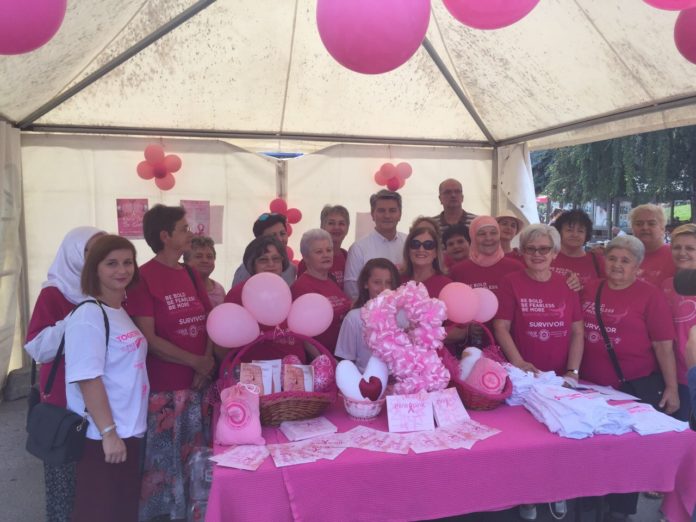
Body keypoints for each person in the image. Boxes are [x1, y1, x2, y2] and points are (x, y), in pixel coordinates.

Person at [124, 204, 214, 522]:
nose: (191, 233)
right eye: (184, 229)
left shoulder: (189, 272)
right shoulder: (144, 278)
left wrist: (206, 363)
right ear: (165, 236)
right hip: (165, 389)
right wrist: (197, 362)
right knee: (165, 463)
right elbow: (149, 340)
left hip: (198, 386)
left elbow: (210, 320)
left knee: (196, 459)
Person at [580, 235, 679, 520]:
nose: (617, 265)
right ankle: (589, 503)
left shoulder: (649, 295)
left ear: (637, 265)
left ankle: (620, 511)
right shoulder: (589, 288)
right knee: (591, 448)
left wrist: (671, 387)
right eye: (612, 258)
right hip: (590, 386)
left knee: (626, 453)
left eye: (625, 260)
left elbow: (663, 345)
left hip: (632, 386)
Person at [64, 235, 148, 522]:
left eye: (128, 262)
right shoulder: (89, 316)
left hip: (128, 428)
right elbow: (88, 379)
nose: (122, 270)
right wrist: (109, 433)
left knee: (121, 509)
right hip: (102, 435)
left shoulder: (118, 310)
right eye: (111, 263)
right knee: (99, 511)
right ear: (94, 269)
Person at [24, 226, 105, 522]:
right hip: (63, 399)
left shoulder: (110, 289)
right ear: (73, 254)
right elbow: (37, 348)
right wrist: (78, 317)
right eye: (89, 250)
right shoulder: (55, 293)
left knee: (94, 480)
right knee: (64, 473)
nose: (96, 257)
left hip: (100, 398)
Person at [493, 224, 584, 378]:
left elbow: (577, 331)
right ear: (522, 251)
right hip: (525, 374)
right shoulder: (511, 282)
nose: (537, 254)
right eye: (530, 249)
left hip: (561, 376)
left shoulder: (567, 283)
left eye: (544, 249)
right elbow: (501, 327)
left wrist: (572, 371)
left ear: (554, 253)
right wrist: (519, 363)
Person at [224, 236, 305, 362]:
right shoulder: (239, 293)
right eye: (263, 260)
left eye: (276, 259)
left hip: (294, 374)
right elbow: (224, 338)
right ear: (252, 264)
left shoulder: (286, 289)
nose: (271, 264)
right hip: (256, 375)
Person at [292, 229, 352, 353]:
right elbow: (303, 336)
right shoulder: (302, 288)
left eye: (328, 250)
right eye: (319, 252)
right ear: (306, 257)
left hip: (341, 355)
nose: (326, 255)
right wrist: (323, 360)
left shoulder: (331, 280)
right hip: (323, 361)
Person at [335, 258, 400, 371]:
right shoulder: (354, 318)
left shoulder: (402, 316)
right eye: (377, 282)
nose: (383, 288)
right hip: (365, 384)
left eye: (389, 283)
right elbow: (345, 361)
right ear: (365, 284)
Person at [661, 223, 696, 421]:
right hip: (673, 377)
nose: (682, 252)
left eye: (690, 248)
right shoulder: (666, 285)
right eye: (677, 247)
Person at [344, 190, 406, 300]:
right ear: (373, 214)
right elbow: (351, 289)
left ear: (400, 214)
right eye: (381, 211)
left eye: (392, 210)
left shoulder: (409, 243)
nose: (387, 215)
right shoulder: (358, 248)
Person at [450, 216, 523, 296]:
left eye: (493, 233)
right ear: (473, 237)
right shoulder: (458, 271)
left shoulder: (517, 268)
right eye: (482, 234)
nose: (488, 238)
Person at [231, 212, 297, 287]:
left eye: (282, 233)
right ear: (259, 240)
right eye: (272, 236)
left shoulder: (291, 269)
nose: (280, 239)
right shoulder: (245, 270)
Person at [551, 209, 605, 287]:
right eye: (569, 230)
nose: (575, 235)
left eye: (580, 231)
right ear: (559, 232)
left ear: (586, 234)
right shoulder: (547, 256)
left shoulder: (597, 261)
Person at [298, 204, 350, 286]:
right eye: (331, 223)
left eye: (341, 223)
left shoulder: (347, 256)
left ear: (347, 228)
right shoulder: (309, 261)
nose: (336, 227)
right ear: (322, 226)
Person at [630, 203, 675, 286]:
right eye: (639, 224)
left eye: (651, 223)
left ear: (662, 228)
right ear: (632, 228)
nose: (645, 228)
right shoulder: (624, 255)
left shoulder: (676, 255)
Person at [400, 226, 451, 298]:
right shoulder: (397, 281)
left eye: (428, 245)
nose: (421, 249)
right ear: (408, 250)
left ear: (436, 253)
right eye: (415, 244)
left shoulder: (446, 285)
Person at [184, 235, 226, 307]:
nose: (205, 260)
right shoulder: (181, 288)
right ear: (186, 261)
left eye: (209, 257)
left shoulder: (219, 289)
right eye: (198, 256)